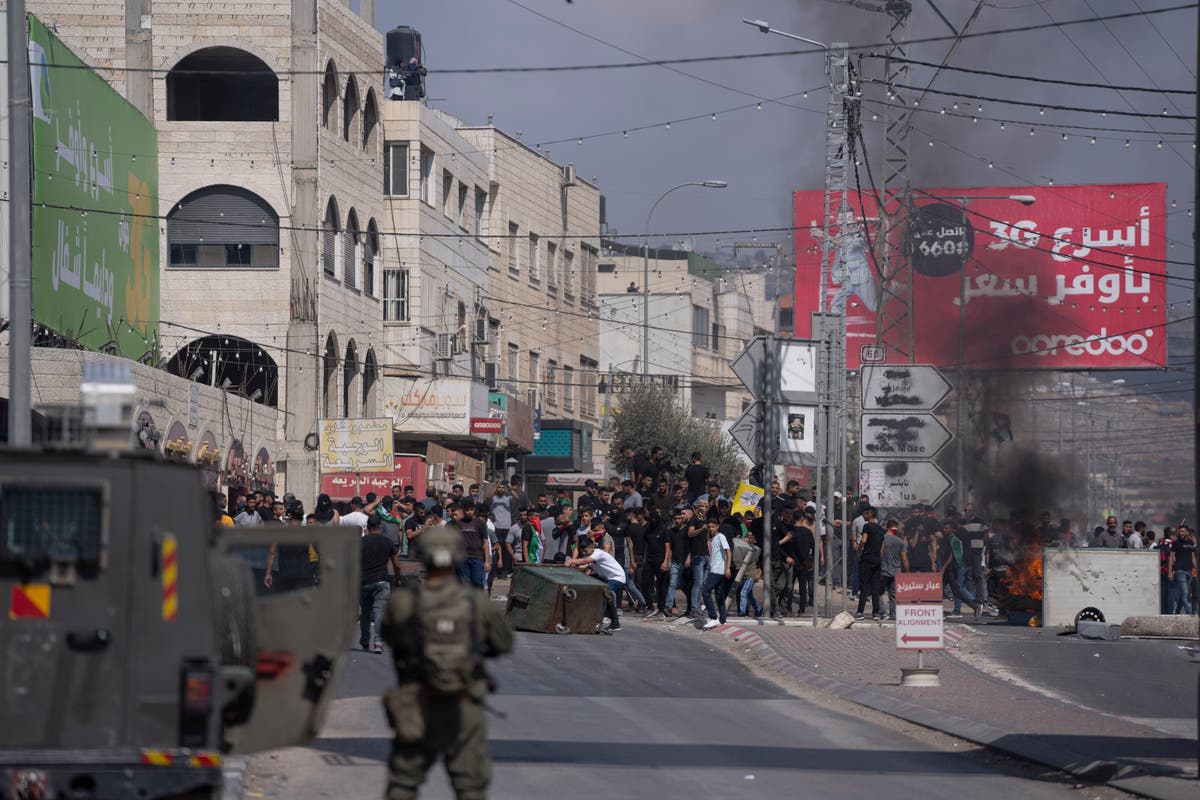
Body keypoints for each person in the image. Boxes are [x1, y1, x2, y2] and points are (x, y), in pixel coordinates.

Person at [380, 526, 514, 800]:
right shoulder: (477, 602)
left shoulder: (403, 602)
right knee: (470, 786)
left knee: (404, 783)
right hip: (464, 704)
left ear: (423, 556)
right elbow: (504, 644)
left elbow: (390, 638)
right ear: (458, 556)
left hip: (417, 702)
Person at [564, 535, 626, 632]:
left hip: (617, 578)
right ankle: (605, 619)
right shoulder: (590, 556)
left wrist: (572, 560)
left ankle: (612, 622)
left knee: (606, 594)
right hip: (608, 578)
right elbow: (585, 567)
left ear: (592, 547)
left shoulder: (598, 553)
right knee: (602, 594)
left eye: (586, 551)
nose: (584, 554)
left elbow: (585, 561)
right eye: (583, 552)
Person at [701, 518, 732, 629]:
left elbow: (728, 551)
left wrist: (727, 568)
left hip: (718, 571)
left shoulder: (721, 537)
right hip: (714, 569)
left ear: (717, 526)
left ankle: (713, 618)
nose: (711, 529)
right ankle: (722, 620)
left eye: (713, 527)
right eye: (709, 527)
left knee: (705, 591)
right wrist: (708, 541)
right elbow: (711, 554)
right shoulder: (713, 539)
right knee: (719, 595)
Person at [855, 507, 885, 620]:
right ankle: (876, 613)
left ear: (869, 514)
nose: (863, 517)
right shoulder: (881, 529)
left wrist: (859, 551)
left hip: (867, 559)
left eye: (864, 515)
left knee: (864, 586)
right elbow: (882, 548)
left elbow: (863, 540)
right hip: (877, 560)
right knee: (875, 588)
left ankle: (860, 612)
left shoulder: (867, 526)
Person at [880, 519, 910, 620]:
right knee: (893, 594)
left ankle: (883, 612)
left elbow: (879, 553)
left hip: (883, 569)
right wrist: (907, 571)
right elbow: (904, 558)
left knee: (878, 592)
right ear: (894, 528)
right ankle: (894, 614)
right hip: (896, 571)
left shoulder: (882, 539)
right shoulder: (900, 542)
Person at [1168, 526, 1196, 614]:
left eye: (1183, 531)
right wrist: (1170, 572)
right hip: (1180, 571)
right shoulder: (1176, 543)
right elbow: (1171, 557)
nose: (1181, 533)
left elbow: (1193, 557)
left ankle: (1177, 611)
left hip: (1189, 571)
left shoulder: (1191, 542)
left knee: (1183, 594)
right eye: (1180, 532)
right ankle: (1190, 613)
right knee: (1185, 593)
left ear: (1187, 532)